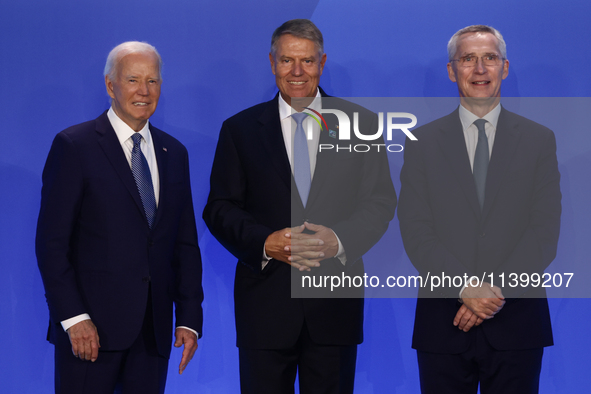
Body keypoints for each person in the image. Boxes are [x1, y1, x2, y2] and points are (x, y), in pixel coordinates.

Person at [203, 19, 396, 393]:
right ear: (272, 62)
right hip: (265, 308)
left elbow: (380, 201)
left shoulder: (360, 124)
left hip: (333, 310)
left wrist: (338, 240)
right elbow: (220, 207)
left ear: (322, 62)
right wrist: (265, 242)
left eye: (306, 61)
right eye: (287, 61)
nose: (296, 72)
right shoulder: (239, 130)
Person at [398, 25, 561, 393]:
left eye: (489, 58)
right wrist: (463, 287)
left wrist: (490, 293)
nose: (480, 69)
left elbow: (544, 232)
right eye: (468, 59)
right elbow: (416, 230)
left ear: (505, 67)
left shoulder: (539, 140)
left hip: (517, 323)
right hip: (444, 324)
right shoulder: (422, 144)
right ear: (451, 70)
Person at [35, 41, 203, 394]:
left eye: (153, 81)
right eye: (133, 80)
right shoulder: (74, 145)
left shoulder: (175, 153)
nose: (144, 91)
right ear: (111, 86)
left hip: (152, 335)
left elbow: (184, 244)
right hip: (89, 334)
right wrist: (74, 318)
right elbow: (52, 245)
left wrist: (189, 318)